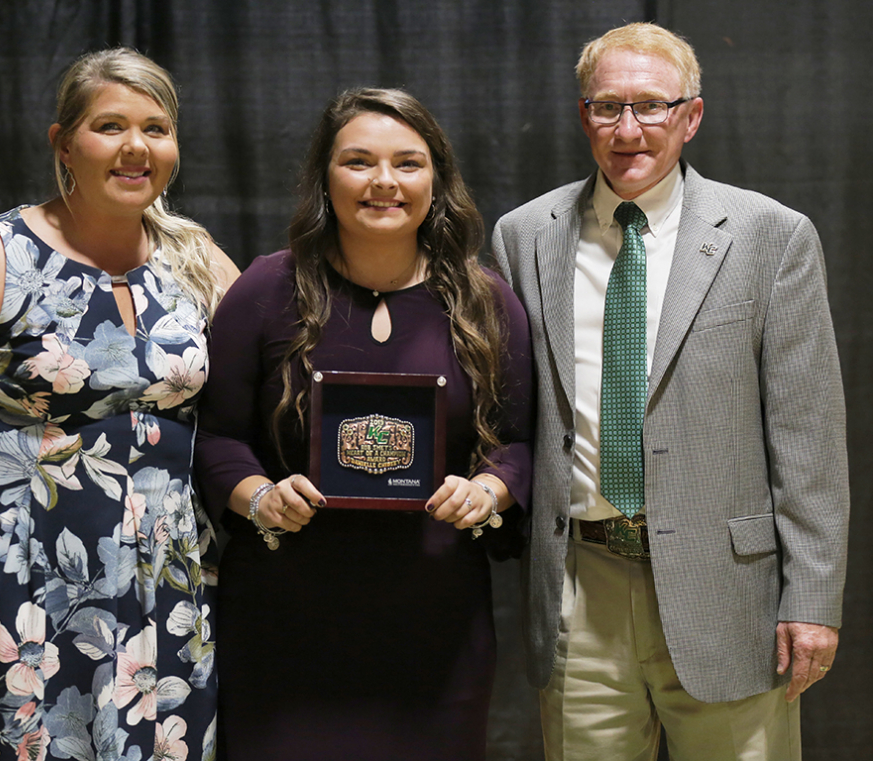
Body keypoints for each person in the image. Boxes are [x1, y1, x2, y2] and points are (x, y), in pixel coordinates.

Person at [493, 22, 848, 761]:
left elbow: (806, 436)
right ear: (581, 114)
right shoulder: (523, 235)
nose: (628, 130)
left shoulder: (769, 236)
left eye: (651, 106)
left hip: (730, 598)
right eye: (607, 107)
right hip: (579, 592)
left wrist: (811, 603)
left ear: (690, 116)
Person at [0, 48, 240, 759]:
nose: (136, 147)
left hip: (162, 577)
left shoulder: (193, 258)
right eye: (110, 125)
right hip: (15, 573)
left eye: (156, 128)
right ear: (63, 143)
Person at [194, 87, 532, 761]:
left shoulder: (485, 301)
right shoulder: (265, 291)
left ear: (436, 179)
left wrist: (487, 492)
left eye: (407, 163)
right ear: (325, 176)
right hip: (285, 622)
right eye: (358, 162)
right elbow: (216, 438)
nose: (383, 182)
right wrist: (258, 497)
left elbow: (518, 442)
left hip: (433, 627)